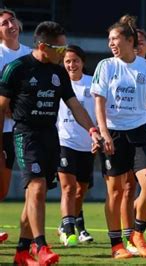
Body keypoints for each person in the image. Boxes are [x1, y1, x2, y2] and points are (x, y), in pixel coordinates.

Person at [0, 21, 101, 265]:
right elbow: (1, 108)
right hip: (26, 135)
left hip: (50, 137)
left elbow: (74, 105)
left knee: (37, 193)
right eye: (60, 47)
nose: (64, 52)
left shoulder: (58, 73)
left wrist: (92, 130)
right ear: (44, 46)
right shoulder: (17, 69)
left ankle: (22, 253)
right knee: (36, 188)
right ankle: (41, 246)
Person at [91, 15, 146, 259]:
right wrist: (104, 132)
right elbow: (99, 102)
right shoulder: (106, 66)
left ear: (131, 41)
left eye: (115, 39)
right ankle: (116, 245)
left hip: (140, 132)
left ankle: (137, 232)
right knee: (116, 191)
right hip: (114, 132)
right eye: (109, 40)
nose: (111, 44)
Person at [56, 45, 95, 246]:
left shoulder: (92, 84)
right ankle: (69, 228)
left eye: (75, 60)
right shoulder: (58, 84)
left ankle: (75, 223)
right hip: (64, 141)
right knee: (68, 188)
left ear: (82, 62)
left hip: (87, 145)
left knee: (81, 191)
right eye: (67, 61)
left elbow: (99, 112)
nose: (71, 65)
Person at [0, 8, 31, 244]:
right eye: (3, 23)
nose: (10, 25)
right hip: (1, 127)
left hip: (20, 129)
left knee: (2, 188)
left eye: (12, 20)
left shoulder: (30, 55)